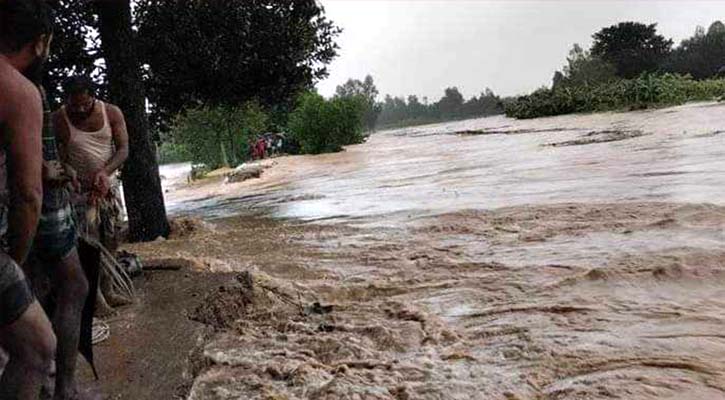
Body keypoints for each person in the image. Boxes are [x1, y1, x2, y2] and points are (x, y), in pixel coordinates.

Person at [0, 1, 57, 399]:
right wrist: (15, 262)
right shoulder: (19, 91)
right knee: (38, 347)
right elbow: (28, 194)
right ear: (39, 43)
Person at [31, 84, 88, 400]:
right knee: (73, 286)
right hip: (35, 201)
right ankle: (63, 387)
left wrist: (62, 169)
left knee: (35, 286)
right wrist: (39, 172)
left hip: (43, 198)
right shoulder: (24, 87)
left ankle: (47, 381)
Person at [55, 76, 129, 253]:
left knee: (112, 239)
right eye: (74, 106)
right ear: (66, 100)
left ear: (93, 97)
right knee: (88, 243)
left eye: (86, 104)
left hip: (108, 188)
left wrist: (105, 172)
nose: (80, 110)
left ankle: (109, 279)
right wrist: (66, 169)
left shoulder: (111, 112)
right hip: (79, 192)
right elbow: (55, 157)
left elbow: (123, 149)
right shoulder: (57, 119)